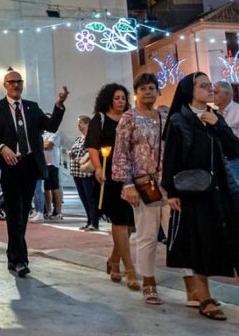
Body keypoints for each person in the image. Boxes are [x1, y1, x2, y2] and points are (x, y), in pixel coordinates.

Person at [163, 72, 239, 322]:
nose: (210, 90)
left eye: (211, 87)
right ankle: (204, 297)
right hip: (195, 192)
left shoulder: (215, 116)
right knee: (201, 244)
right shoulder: (178, 119)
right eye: (204, 86)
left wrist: (217, 125)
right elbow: (171, 158)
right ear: (190, 89)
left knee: (233, 239)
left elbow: (234, 149)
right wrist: (172, 192)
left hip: (223, 189)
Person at [0, 70, 68, 277]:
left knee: (22, 213)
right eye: (11, 82)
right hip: (10, 166)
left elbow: (50, 126)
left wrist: (59, 105)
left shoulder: (32, 107)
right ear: (5, 85)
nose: (16, 85)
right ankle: (20, 259)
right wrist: (2, 147)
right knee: (14, 212)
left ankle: (13, 255)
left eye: (19, 82)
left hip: (30, 165)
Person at [113, 73, 172, 305]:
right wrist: (127, 184)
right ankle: (149, 281)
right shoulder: (129, 118)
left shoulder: (165, 116)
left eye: (152, 88)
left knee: (178, 233)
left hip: (169, 185)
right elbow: (121, 153)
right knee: (147, 235)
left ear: (158, 91)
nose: (148, 92)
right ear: (136, 93)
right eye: (143, 88)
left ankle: (193, 285)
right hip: (143, 184)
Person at [85, 83, 137, 290]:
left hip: (131, 175)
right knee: (120, 221)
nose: (121, 101)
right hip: (109, 175)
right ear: (108, 99)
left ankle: (114, 259)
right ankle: (130, 269)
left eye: (123, 98)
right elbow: (92, 145)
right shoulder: (100, 119)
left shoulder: (130, 118)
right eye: (117, 98)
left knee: (130, 225)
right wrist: (98, 168)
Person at [68, 115, 98, 231]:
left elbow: (89, 153)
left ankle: (94, 222)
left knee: (90, 197)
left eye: (81, 123)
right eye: (78, 123)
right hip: (76, 172)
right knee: (83, 197)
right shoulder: (78, 139)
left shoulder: (92, 138)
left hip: (86, 172)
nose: (78, 125)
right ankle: (89, 220)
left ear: (87, 124)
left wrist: (75, 156)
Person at [43, 125, 63, 219]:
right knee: (46, 189)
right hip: (43, 164)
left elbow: (48, 145)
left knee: (55, 188)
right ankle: (48, 210)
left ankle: (58, 212)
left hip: (52, 164)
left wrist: (39, 145)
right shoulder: (42, 133)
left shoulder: (55, 132)